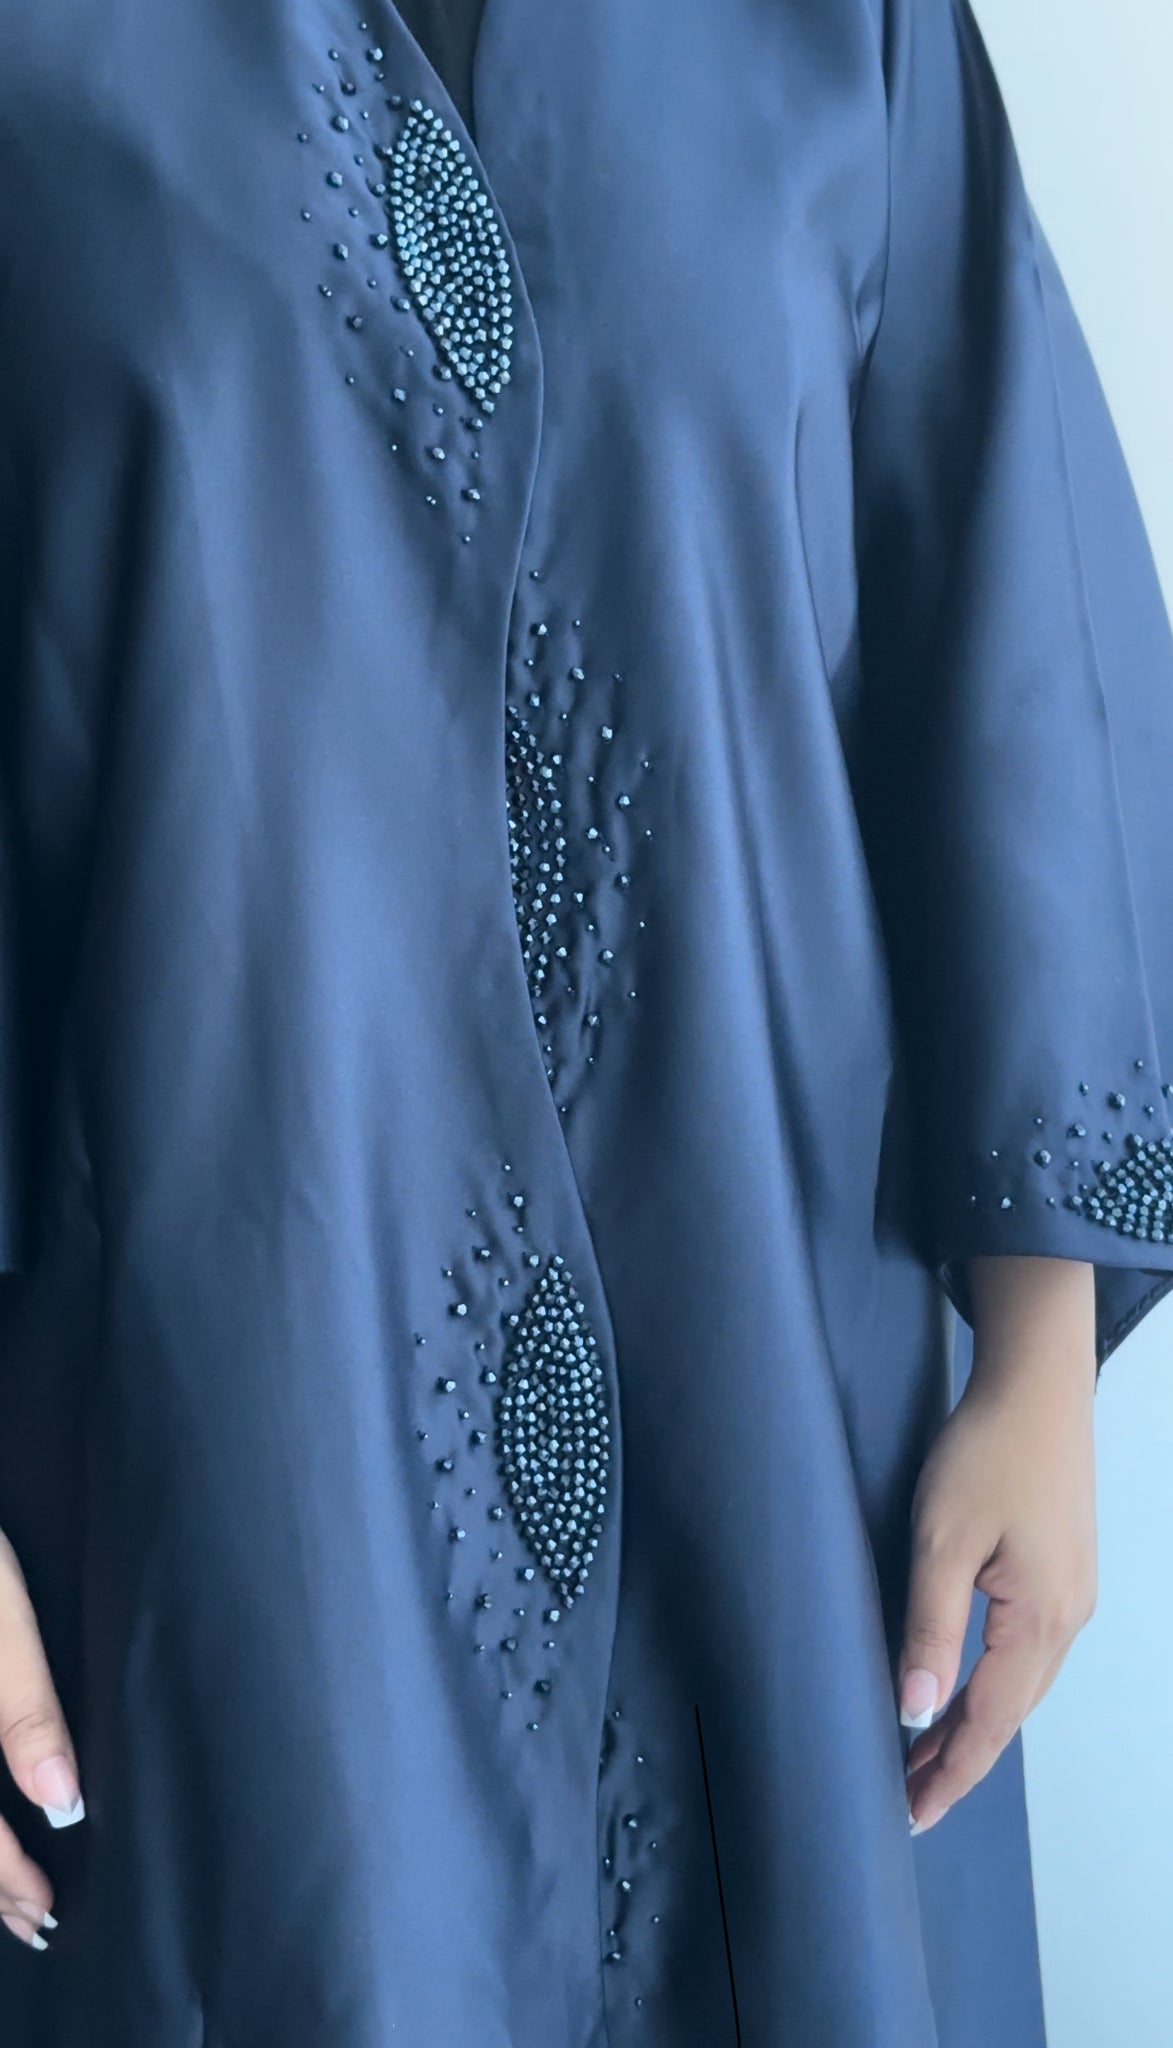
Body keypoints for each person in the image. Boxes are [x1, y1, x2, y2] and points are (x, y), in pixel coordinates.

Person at [0, 0, 1170, 2040]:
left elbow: (1013, 620)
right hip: (221, 1449)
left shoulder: (840, 33)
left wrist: (1038, 1352)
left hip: (785, 1423)